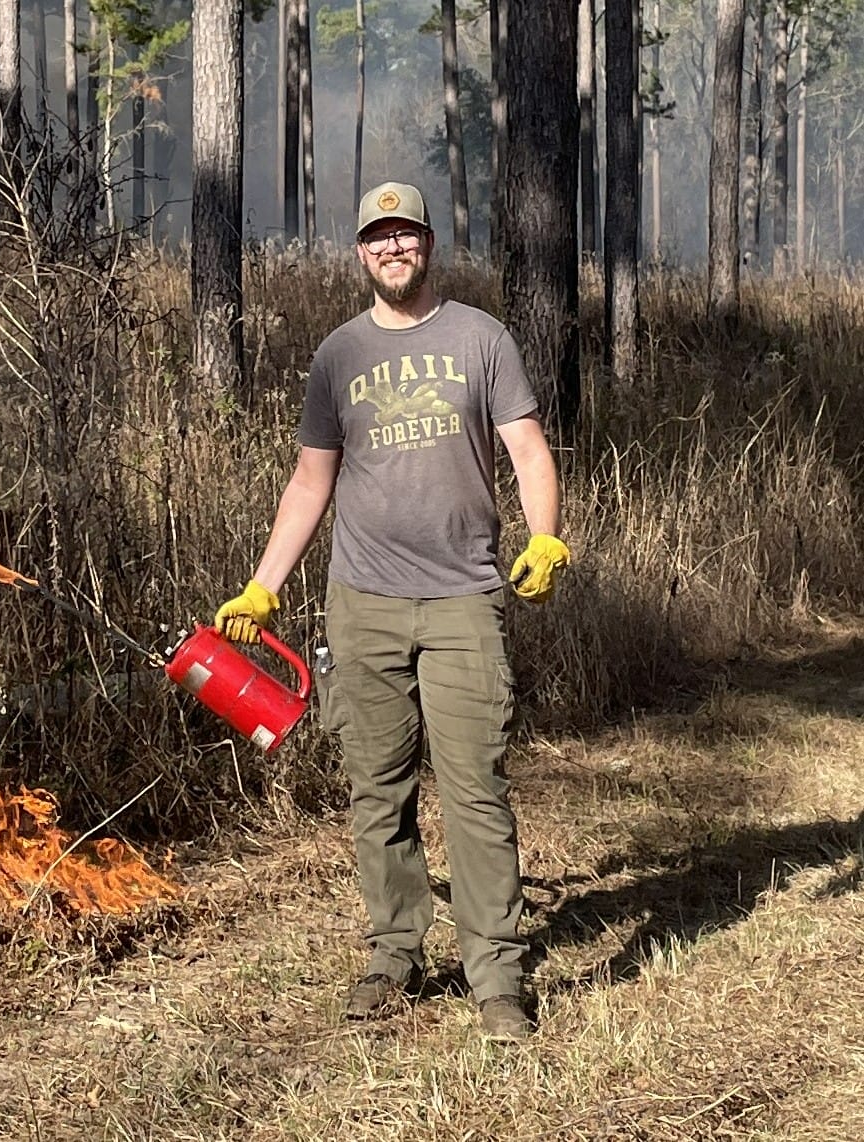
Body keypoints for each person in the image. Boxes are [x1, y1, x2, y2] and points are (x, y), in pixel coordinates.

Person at [213, 181, 568, 1043]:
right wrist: (264, 586)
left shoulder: (480, 338)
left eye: (404, 233)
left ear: (428, 243)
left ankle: (496, 979)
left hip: (462, 599)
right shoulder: (337, 354)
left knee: (476, 791)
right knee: (376, 792)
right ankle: (394, 957)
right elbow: (310, 480)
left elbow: (526, 448)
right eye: (377, 237)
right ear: (361, 252)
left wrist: (545, 537)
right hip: (361, 601)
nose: (392, 248)